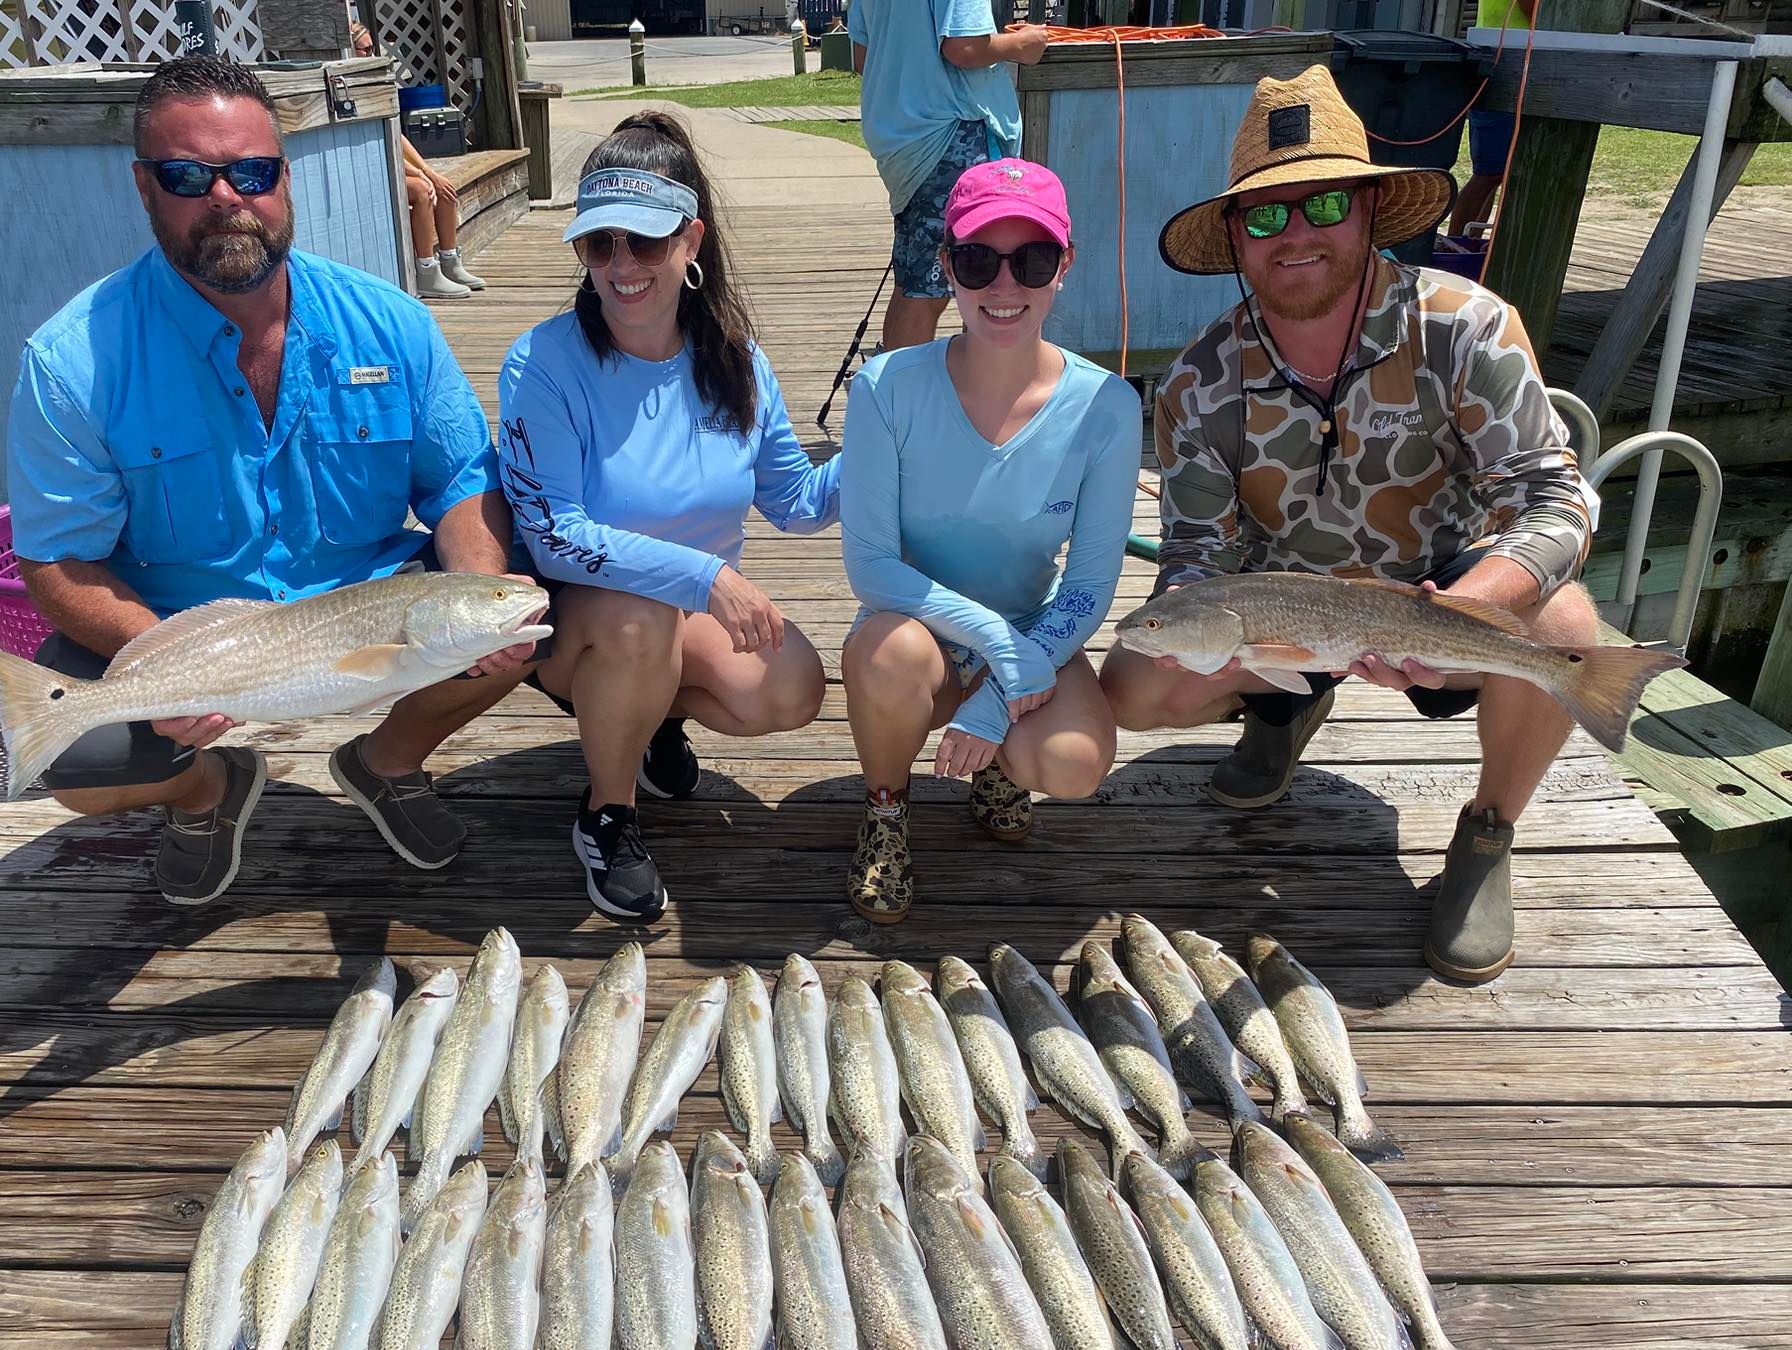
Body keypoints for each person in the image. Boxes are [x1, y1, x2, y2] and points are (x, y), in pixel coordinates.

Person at [1099, 66, 1600, 984]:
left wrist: (1463, 609)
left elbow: (1555, 499)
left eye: (1322, 202)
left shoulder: (1468, 328)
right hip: (1285, 613)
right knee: (1137, 679)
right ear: (1236, 241)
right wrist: (1195, 618)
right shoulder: (1198, 382)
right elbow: (1194, 551)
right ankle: (1283, 710)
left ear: (1371, 209)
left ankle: (1489, 835)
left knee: (1566, 626)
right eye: (1263, 216)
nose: (1293, 234)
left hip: (1445, 599)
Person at [5, 55, 534, 907]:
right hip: (181, 629)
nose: (225, 197)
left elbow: (462, 483)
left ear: (284, 179)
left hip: (363, 599)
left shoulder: (390, 320)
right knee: (82, 764)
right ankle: (207, 794)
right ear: (144, 188)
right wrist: (164, 664)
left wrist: (477, 591)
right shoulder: (69, 363)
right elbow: (57, 562)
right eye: (188, 175)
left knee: (508, 616)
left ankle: (383, 763)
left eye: (251, 171)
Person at [497, 112, 840, 921]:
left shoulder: (737, 358)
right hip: (578, 626)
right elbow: (555, 533)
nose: (621, 266)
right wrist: (709, 575)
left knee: (792, 690)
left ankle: (647, 722)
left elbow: (794, 500)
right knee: (641, 620)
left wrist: (893, 442)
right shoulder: (542, 362)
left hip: (683, 614)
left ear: (692, 240)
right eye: (598, 243)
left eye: (645, 243)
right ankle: (608, 813)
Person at [839, 159, 1136, 924]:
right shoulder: (885, 389)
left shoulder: (1108, 405)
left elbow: (1089, 590)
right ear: (946, 268)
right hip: (917, 630)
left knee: (1070, 764)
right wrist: (994, 645)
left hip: (1040, 631)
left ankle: (1003, 764)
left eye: (1032, 261)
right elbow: (871, 567)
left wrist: (1005, 688)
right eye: (977, 261)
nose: (1004, 288)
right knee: (885, 653)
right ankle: (885, 812)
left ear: (1064, 268)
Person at [848, 0, 1049, 352]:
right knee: (950, 287)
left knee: (915, 282)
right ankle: (912, 400)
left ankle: (895, 395)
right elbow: (964, 46)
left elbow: (863, 59)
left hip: (902, 141)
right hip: (953, 135)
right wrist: (1023, 45)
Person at [351, 20, 485, 300]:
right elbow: (381, 146)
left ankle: (450, 260)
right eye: (364, 50)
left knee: (442, 185)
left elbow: (395, 136)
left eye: (371, 48)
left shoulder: (373, 83)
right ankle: (426, 270)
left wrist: (427, 169)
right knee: (423, 190)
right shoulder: (352, 89)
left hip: (388, 159)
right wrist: (423, 175)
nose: (370, 54)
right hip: (368, 166)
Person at [1444, 0, 1531, 239]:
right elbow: (1534, 10)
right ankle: (1455, 245)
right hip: (1504, 61)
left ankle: (1468, 241)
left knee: (1494, 173)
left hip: (1500, 56)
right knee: (1488, 173)